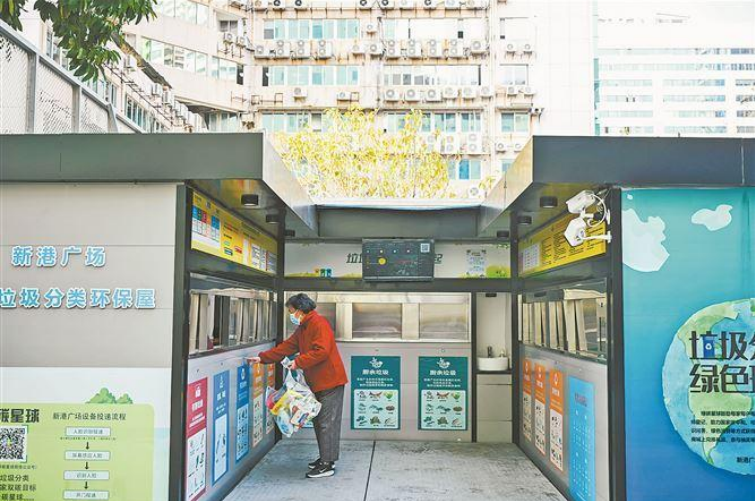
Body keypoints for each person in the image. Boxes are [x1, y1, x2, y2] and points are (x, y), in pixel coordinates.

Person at [247, 293, 348, 479]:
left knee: (327, 423)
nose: (290, 314)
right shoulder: (303, 327)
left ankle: (327, 464)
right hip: (318, 382)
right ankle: (325, 458)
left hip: (331, 381)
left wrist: (298, 362)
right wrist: (262, 358)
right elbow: (286, 347)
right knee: (320, 421)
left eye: (291, 311)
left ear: (300, 310)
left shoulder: (319, 323)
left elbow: (322, 351)